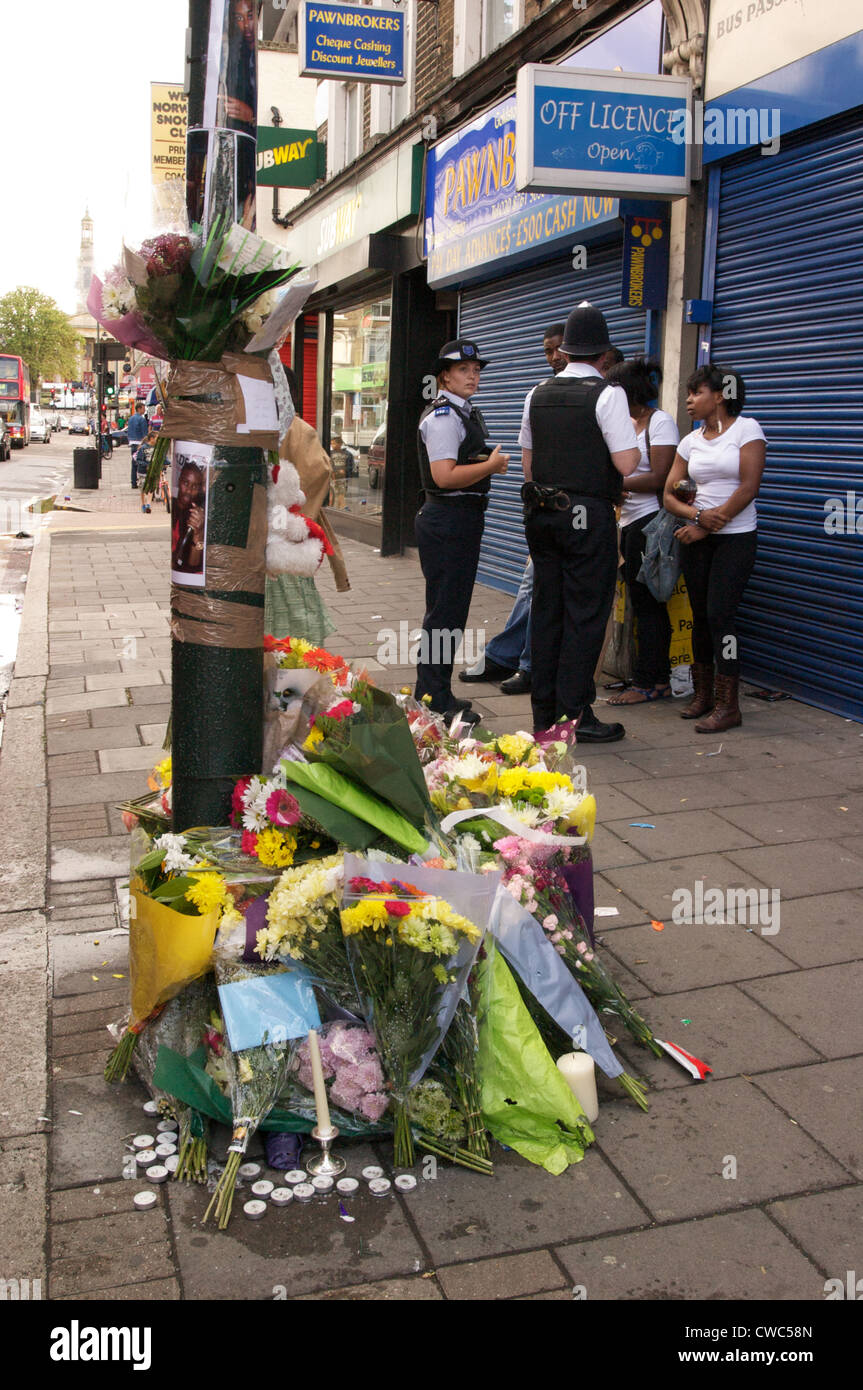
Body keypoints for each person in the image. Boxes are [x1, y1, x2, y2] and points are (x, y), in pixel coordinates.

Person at [520, 304, 640, 742]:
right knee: (585, 617)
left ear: (566, 351)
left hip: (542, 515)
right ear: (604, 353)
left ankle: (543, 717)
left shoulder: (537, 393)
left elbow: (528, 465)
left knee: (547, 611)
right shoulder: (608, 395)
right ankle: (573, 717)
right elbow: (627, 463)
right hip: (587, 519)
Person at [460, 323, 567, 695]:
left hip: (587, 513)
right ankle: (514, 659)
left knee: (541, 587)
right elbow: (529, 455)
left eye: (560, 349)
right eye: (547, 351)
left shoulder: (602, 396)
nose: (554, 357)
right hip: (548, 508)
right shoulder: (539, 394)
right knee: (533, 584)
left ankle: (520, 661)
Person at [663, 364, 766, 733]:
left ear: (720, 395)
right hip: (696, 535)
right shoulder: (690, 441)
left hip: (735, 538)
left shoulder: (746, 429)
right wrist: (696, 515)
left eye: (696, 392)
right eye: (689, 393)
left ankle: (729, 705)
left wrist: (706, 525)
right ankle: (703, 694)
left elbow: (748, 487)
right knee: (701, 617)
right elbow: (669, 494)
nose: (689, 400)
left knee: (722, 615)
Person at [415, 340, 509, 723]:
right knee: (444, 614)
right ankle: (433, 698)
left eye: (476, 370)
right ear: (445, 376)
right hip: (448, 519)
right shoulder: (443, 417)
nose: (473, 376)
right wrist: (492, 466)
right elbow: (444, 475)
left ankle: (437, 690)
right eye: (464, 370)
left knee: (450, 613)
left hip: (459, 519)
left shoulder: (462, 412)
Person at [605, 357, 680, 705]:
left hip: (647, 526)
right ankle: (643, 676)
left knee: (649, 604)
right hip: (624, 523)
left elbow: (662, 477)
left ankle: (653, 682)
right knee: (636, 602)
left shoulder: (660, 422)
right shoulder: (623, 424)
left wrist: (617, 483)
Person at [172, 461, 206, 575]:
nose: (189, 491)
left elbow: (192, 567)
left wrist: (198, 535)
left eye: (195, 486)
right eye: (185, 483)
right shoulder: (173, 507)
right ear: (179, 481)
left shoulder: (195, 515)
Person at [134, 430, 159, 513]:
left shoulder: (157, 448)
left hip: (152, 472)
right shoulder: (143, 448)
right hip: (143, 472)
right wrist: (146, 465)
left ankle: (148, 504)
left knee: (151, 488)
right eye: (156, 438)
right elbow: (138, 460)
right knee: (143, 489)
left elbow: (163, 458)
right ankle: (143, 504)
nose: (158, 440)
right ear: (151, 439)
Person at [127, 404, 149, 488]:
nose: (144, 410)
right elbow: (144, 434)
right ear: (139, 409)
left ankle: (133, 482)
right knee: (142, 462)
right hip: (139, 443)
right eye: (143, 409)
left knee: (134, 463)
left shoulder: (131, 418)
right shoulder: (141, 419)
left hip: (132, 442)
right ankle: (142, 481)